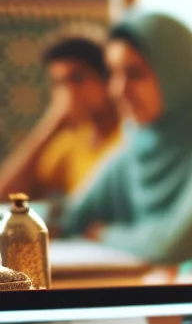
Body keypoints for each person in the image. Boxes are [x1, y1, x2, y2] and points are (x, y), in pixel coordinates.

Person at [59, 10, 192, 279]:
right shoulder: (138, 142)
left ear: (176, 74)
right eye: (113, 73)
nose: (118, 90)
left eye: (135, 74)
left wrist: (103, 234)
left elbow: (178, 249)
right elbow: (71, 217)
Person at [0, 37, 121, 201]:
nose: (68, 92)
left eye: (77, 79)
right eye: (59, 83)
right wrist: (51, 125)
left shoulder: (128, 138)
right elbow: (6, 197)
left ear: (107, 80)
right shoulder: (73, 143)